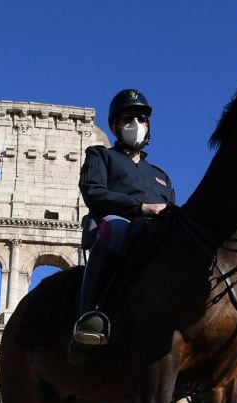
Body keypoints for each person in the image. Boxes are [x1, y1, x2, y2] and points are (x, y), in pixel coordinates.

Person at [72, 88, 176, 348]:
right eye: (128, 119)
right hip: (121, 225)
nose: (136, 124)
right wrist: (142, 208)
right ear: (114, 126)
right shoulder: (101, 156)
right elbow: (93, 192)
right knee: (115, 229)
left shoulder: (160, 174)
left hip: (159, 232)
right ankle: (90, 314)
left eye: (141, 118)